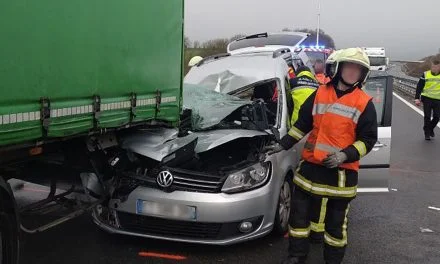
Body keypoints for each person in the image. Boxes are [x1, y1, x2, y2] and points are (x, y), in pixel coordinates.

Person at [267, 48, 378, 264]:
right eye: (349, 66)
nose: (353, 72)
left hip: (341, 174)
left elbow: (368, 140)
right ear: (338, 68)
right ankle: (297, 255)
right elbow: (302, 125)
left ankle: (332, 260)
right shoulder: (320, 93)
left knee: (336, 226)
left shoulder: (364, 103)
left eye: (358, 69)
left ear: (363, 75)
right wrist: (282, 145)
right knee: (299, 218)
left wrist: (345, 155)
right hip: (310, 169)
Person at [414, 59, 440, 140]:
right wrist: (417, 98)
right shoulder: (425, 74)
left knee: (436, 117)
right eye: (432, 66)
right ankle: (427, 134)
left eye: (436, 67)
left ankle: (430, 128)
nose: (434, 68)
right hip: (427, 99)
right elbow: (419, 87)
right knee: (427, 116)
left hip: (438, 100)